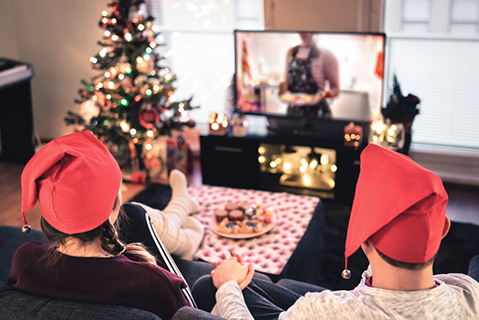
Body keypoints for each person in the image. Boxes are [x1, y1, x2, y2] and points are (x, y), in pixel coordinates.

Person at [192, 143, 479, 319]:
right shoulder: (469, 293)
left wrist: (228, 285)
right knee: (272, 285)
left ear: (364, 239)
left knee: (209, 285)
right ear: (442, 230)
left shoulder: (323, 310)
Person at [7, 130, 204, 320]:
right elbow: (192, 314)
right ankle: (185, 223)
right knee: (136, 213)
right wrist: (226, 285)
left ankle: (181, 205)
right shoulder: (154, 281)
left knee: (137, 215)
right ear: (111, 210)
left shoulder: (24, 260)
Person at [279, 32, 340, 118]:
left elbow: (336, 90)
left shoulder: (326, 55)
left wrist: (321, 95)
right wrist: (282, 90)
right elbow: (286, 83)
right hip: (294, 113)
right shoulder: (291, 52)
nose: (303, 32)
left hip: (318, 114)